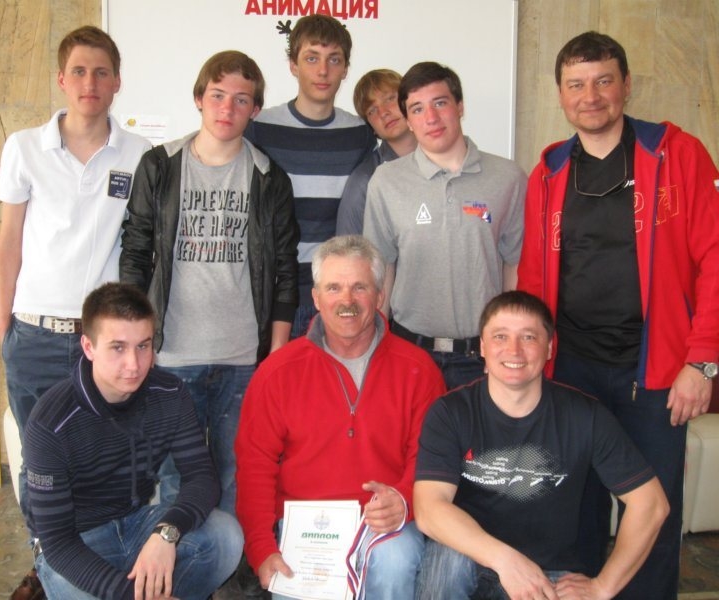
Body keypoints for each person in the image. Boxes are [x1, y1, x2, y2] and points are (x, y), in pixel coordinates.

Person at [517, 31, 719, 598]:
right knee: (571, 507)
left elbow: (715, 259)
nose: (591, 96)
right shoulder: (549, 171)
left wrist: (702, 362)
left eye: (604, 81)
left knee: (652, 512)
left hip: (655, 375)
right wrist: (531, 364)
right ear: (561, 95)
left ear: (626, 86)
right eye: (576, 85)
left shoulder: (678, 154)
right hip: (571, 373)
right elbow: (533, 279)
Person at [120, 50, 299, 515]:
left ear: (254, 110)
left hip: (242, 360)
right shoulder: (160, 165)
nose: (227, 108)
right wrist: (137, 342)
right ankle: (180, 557)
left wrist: (276, 352)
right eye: (218, 95)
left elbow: (285, 268)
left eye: (241, 100)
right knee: (175, 478)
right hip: (172, 356)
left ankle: (233, 558)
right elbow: (135, 255)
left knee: (236, 476)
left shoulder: (269, 178)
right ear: (199, 98)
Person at [0, 24, 150, 533]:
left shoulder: (139, 154)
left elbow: (142, 244)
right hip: (34, 337)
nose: (90, 83)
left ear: (117, 82)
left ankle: (94, 560)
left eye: (102, 73)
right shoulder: (24, 147)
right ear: (61, 79)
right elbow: (8, 243)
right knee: (38, 464)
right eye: (79, 71)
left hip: (101, 342)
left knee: (102, 460)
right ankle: (46, 562)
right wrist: (5, 329)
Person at [413, 291, 669, 600]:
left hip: (549, 574)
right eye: (500, 336)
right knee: (447, 560)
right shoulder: (450, 412)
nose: (514, 350)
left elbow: (651, 504)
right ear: (482, 346)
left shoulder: (585, 415)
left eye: (528, 337)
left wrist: (604, 587)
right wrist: (506, 562)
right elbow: (429, 509)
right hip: (471, 560)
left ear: (549, 348)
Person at [235, 235, 446, 598]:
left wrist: (404, 500)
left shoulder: (419, 370)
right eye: (334, 288)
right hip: (305, 532)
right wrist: (261, 548)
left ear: (379, 296)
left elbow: (431, 458)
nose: (347, 300)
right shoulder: (276, 373)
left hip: (383, 524)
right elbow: (254, 467)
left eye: (359, 287)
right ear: (316, 298)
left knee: (395, 560)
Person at [23, 282, 243, 599]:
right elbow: (57, 542)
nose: (134, 364)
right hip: (77, 541)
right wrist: (129, 595)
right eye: (118, 347)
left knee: (226, 536)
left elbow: (201, 476)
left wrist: (166, 533)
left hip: (137, 523)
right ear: (88, 347)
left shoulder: (169, 393)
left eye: (143, 346)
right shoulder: (50, 423)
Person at [363, 61, 526, 390]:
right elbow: (381, 270)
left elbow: (515, 266)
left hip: (482, 358)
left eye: (440, 103)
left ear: (460, 106)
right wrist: (375, 347)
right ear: (409, 120)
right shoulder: (386, 181)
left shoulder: (508, 178)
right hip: (410, 354)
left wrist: (512, 341)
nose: (431, 118)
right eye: (417, 109)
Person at [245, 14, 376, 336]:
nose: (323, 71)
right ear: (293, 65)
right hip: (274, 298)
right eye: (312, 58)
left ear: (346, 68)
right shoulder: (259, 129)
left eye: (334, 60)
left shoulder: (360, 134)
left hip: (336, 298)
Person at [336, 68, 417, 235]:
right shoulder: (365, 180)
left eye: (390, 99)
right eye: (372, 110)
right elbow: (347, 246)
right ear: (372, 128)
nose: (383, 113)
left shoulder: (445, 160)